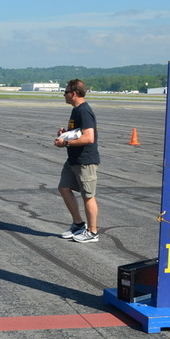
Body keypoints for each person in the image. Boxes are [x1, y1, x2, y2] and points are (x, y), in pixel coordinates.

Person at [54, 79, 101, 243]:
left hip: (85, 160)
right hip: (73, 159)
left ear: (73, 93)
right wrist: (66, 134)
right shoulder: (76, 111)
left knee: (88, 196)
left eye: (65, 92)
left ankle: (92, 232)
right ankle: (78, 224)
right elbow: (79, 133)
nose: (64, 95)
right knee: (64, 188)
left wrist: (65, 143)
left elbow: (89, 138)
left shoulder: (84, 111)